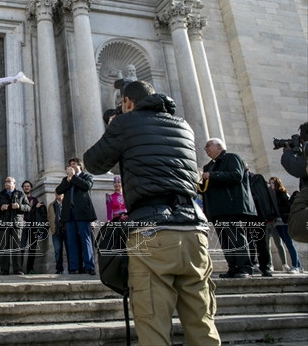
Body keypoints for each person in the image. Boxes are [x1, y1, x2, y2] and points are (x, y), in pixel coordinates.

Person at [83, 80, 221, 346]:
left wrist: (114, 128)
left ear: (127, 102)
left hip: (153, 231)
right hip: (194, 230)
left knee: (153, 323)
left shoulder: (126, 122)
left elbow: (93, 162)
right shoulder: (183, 125)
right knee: (202, 321)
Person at [201, 138, 257, 278]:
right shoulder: (209, 166)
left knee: (236, 237)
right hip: (217, 209)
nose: (206, 149)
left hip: (231, 206)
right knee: (225, 240)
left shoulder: (231, 158)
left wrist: (213, 175)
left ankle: (244, 268)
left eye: (208, 146)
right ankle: (233, 267)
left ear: (219, 147)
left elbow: (237, 175)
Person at [55, 157, 97, 275]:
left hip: (82, 213)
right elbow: (59, 190)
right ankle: (73, 267)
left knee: (86, 239)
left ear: (80, 166)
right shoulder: (66, 179)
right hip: (69, 214)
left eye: (73, 164)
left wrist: (73, 177)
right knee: (71, 241)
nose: (71, 166)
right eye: (70, 164)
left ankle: (89, 266)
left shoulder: (86, 177)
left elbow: (86, 186)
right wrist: (69, 180)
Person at [0, 177, 30, 275]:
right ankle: (4, 269)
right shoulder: (0, 195)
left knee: (17, 246)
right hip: (4, 224)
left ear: (14, 183)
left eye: (9, 181)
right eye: (6, 181)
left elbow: (28, 207)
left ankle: (18, 269)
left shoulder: (20, 194)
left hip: (16, 224)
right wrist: (0, 208)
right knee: (4, 246)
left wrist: (19, 206)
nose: (7, 183)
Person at [247, 169, 279, 277]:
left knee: (261, 242)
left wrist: (270, 213)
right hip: (246, 215)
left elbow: (265, 196)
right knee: (248, 242)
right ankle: (252, 264)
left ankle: (265, 266)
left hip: (258, 215)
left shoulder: (257, 179)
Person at [269, 177, 303, 273]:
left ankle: (296, 266)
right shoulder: (272, 195)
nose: (270, 185)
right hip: (277, 223)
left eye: (272, 183)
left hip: (285, 222)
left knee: (289, 244)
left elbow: (287, 206)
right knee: (287, 243)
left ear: (277, 184)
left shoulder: (282, 193)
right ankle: (299, 266)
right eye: (270, 183)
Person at [21, 180, 47, 274]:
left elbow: (35, 214)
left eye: (28, 186)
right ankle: (20, 268)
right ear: (22, 188)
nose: (26, 187)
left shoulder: (35, 200)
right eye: (25, 186)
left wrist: (35, 207)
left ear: (31, 188)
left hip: (33, 226)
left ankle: (30, 268)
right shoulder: (20, 198)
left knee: (32, 248)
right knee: (22, 247)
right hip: (23, 226)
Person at [47, 193, 68, 274]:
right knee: (58, 251)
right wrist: (52, 227)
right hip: (56, 231)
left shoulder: (67, 203)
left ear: (63, 195)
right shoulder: (51, 205)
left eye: (60, 194)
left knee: (69, 250)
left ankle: (72, 268)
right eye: (57, 194)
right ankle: (59, 269)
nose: (58, 195)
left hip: (66, 230)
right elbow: (49, 217)